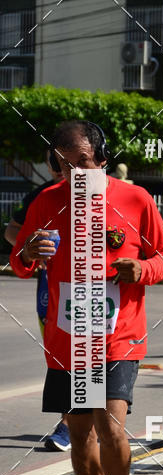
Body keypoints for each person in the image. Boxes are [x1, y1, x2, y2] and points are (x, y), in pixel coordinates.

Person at [10, 121, 163, 475]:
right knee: (80, 431)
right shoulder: (47, 202)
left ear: (102, 159)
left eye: (82, 163)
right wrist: (27, 253)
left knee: (110, 426)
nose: (74, 173)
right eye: (64, 165)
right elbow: (21, 262)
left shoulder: (135, 199)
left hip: (119, 336)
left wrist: (143, 269)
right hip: (68, 340)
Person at [4, 150, 71, 451]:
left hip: (100, 292)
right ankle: (72, 422)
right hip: (53, 287)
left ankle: (77, 423)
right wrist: (31, 249)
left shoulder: (109, 195)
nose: (59, 168)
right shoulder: (42, 196)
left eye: (66, 161)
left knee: (93, 357)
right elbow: (12, 232)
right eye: (54, 162)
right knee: (63, 353)